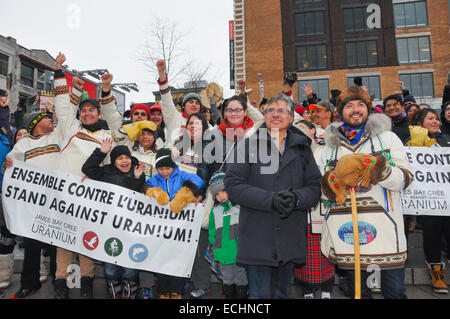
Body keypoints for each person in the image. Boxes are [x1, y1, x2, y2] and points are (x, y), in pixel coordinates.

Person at [319, 85, 413, 299]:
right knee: (357, 292)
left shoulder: (387, 139)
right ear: (340, 112)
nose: (355, 110)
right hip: (346, 231)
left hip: (386, 229)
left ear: (368, 109)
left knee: (395, 292)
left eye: (360, 105)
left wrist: (379, 170)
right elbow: (322, 192)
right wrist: (333, 183)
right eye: (349, 105)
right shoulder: (328, 147)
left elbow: (405, 179)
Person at [225, 93, 322, 299]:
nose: (275, 115)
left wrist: (296, 198)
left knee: (282, 294)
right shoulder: (247, 145)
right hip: (257, 233)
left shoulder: (303, 148)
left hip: (289, 234)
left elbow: (314, 187)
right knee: (259, 297)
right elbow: (233, 185)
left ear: (290, 117)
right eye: (270, 110)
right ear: (264, 115)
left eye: (281, 111)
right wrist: (271, 200)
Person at [4, 53, 69, 299]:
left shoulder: (57, 137)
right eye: (44, 118)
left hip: (56, 199)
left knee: (56, 245)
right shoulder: (22, 146)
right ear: (35, 124)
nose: (49, 120)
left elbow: (64, 115)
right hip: (34, 204)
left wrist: (59, 73)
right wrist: (8, 165)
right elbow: (12, 171)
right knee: (31, 246)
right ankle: (29, 283)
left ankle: (58, 281)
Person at [52, 68, 117, 299]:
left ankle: (87, 284)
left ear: (99, 113)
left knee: (86, 238)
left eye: (91, 110)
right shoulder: (71, 129)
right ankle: (61, 285)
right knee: (63, 239)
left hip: (89, 197)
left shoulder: (108, 137)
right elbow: (62, 106)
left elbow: (110, 172)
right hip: (62, 194)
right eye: (83, 111)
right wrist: (60, 73)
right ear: (79, 115)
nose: (87, 114)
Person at [82, 139, 145, 299]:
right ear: (114, 161)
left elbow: (134, 197)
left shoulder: (137, 172)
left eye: (127, 157)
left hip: (130, 228)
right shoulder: (105, 172)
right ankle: (113, 290)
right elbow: (87, 168)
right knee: (110, 266)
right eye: (119, 158)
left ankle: (131, 290)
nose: (124, 161)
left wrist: (138, 179)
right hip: (109, 228)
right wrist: (101, 152)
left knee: (129, 267)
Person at [145, 148, 204, 298]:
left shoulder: (182, 175)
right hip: (162, 231)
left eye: (168, 168)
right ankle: (164, 293)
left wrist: (185, 193)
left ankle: (177, 292)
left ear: (174, 166)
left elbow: (198, 181)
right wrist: (153, 192)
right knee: (162, 261)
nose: (164, 171)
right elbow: (145, 188)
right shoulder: (154, 179)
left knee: (179, 262)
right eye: (161, 168)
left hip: (181, 231)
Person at [405, 109, 450, 293]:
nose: (435, 122)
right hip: (429, 201)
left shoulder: (446, 139)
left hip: (447, 197)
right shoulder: (410, 142)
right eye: (430, 119)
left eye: (437, 119)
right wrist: (417, 144)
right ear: (420, 123)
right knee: (432, 236)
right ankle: (436, 274)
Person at [207, 171, 248, 299]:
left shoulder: (239, 206)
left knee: (240, 277)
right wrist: (215, 244)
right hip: (223, 252)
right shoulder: (215, 211)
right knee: (227, 279)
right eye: (217, 194)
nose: (221, 196)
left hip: (238, 251)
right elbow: (212, 230)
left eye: (223, 191)